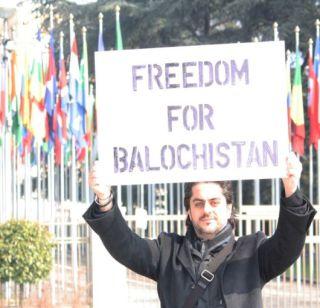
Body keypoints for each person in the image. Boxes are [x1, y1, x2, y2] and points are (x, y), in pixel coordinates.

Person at [83, 153, 316, 308]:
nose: (207, 210)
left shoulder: (253, 252)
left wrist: (291, 189)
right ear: (189, 210)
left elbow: (289, 243)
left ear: (229, 207)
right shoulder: (167, 252)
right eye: (198, 203)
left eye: (215, 202)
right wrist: (104, 199)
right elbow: (125, 245)